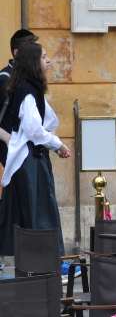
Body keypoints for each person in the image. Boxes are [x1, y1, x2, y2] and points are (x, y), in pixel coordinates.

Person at [0, 42, 71, 256]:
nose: (48, 61)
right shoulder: (27, 91)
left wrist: (53, 143)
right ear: (33, 62)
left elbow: (48, 120)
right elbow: (34, 131)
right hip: (28, 161)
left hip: (31, 159)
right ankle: (40, 263)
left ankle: (37, 263)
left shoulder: (28, 88)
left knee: (32, 214)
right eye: (43, 57)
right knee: (36, 215)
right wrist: (57, 144)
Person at [0, 29, 37, 165]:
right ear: (16, 53)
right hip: (14, 154)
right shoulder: (5, 79)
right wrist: (9, 140)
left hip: (29, 150)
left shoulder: (29, 78)